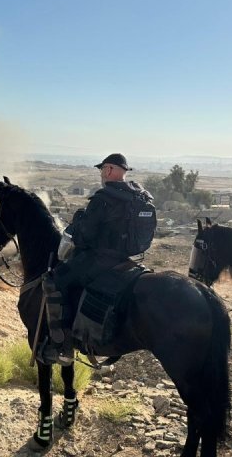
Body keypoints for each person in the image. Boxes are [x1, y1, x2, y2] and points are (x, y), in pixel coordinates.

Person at [40, 153, 155, 365]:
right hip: (128, 258)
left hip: (101, 259)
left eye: (103, 169)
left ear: (110, 170)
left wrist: (77, 227)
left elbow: (86, 236)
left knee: (56, 281)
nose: (102, 174)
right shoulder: (139, 197)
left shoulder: (104, 198)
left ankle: (62, 347)